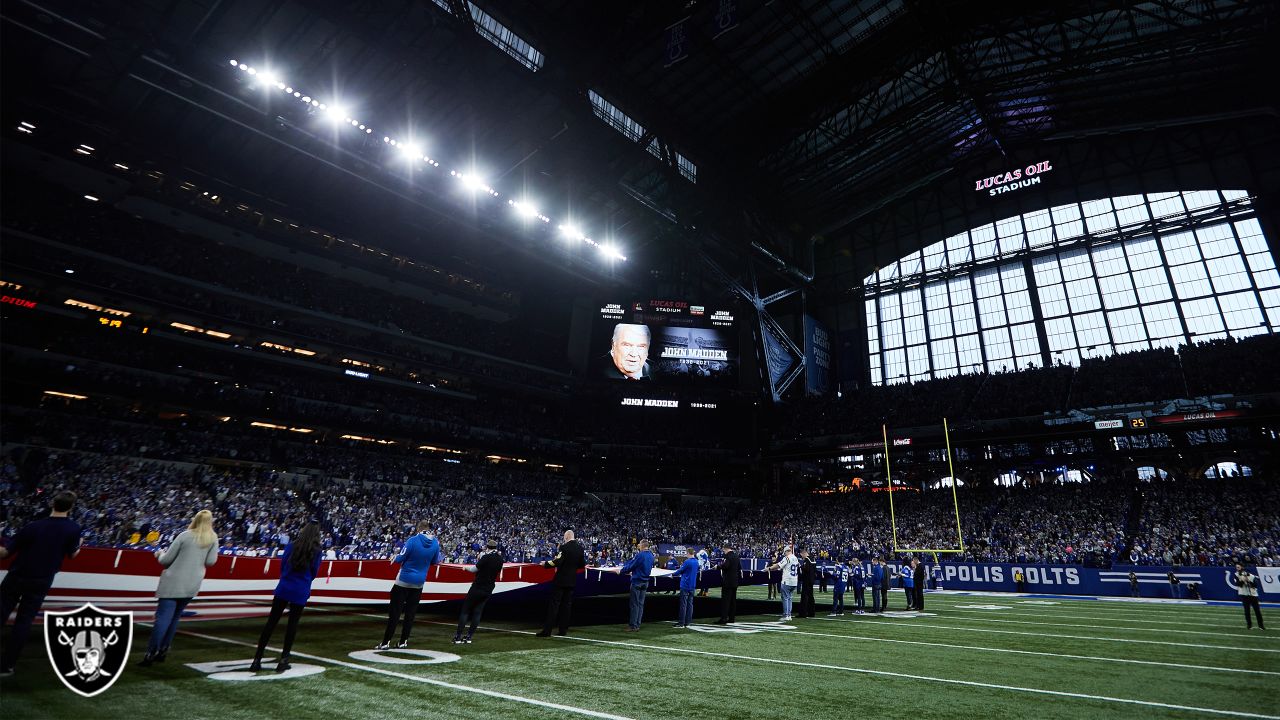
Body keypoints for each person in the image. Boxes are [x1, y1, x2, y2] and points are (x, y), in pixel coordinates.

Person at [0, 491, 82, 678]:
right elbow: (72, 554)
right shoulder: (73, 529)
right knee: (24, 621)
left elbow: (6, 552)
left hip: (17, 575)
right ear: (70, 507)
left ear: (53, 503)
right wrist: (79, 546)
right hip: (42, 579)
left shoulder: (33, 526)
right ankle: (6, 665)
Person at [141, 509, 219, 666]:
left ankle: (151, 652)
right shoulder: (213, 538)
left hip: (174, 582)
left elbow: (166, 560)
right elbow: (210, 562)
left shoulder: (185, 535)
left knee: (162, 619)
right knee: (175, 618)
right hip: (192, 583)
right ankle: (163, 650)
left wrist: (159, 554)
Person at [250, 522, 322, 673]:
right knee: (292, 625)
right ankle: (284, 660)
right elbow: (314, 571)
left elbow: (282, 565)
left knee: (271, 622)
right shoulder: (316, 550)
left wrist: (286, 577)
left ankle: (257, 659)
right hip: (300, 588)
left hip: (285, 585)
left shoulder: (291, 545)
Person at [380, 520, 441, 649]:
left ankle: (386, 642)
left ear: (419, 528)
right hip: (419, 583)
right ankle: (403, 642)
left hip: (403, 580)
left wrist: (394, 557)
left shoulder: (413, 540)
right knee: (410, 615)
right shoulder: (435, 543)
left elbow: (400, 558)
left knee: (395, 613)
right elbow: (436, 561)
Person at [453, 539, 505, 644]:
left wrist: (464, 568)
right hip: (489, 588)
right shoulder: (500, 559)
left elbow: (474, 570)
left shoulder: (486, 557)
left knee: (465, 611)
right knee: (477, 612)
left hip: (478, 586)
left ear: (487, 547)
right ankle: (469, 637)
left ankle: (458, 637)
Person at [536, 530, 585, 637]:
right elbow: (582, 564)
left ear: (567, 537)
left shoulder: (564, 548)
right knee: (566, 606)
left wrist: (545, 564)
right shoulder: (580, 548)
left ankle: (547, 631)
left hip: (561, 580)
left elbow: (557, 561)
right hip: (572, 581)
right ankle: (563, 630)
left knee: (554, 605)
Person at [619, 540, 655, 631]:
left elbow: (632, 566)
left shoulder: (640, 555)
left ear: (642, 545)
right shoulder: (651, 555)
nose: (638, 546)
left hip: (637, 581)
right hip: (645, 581)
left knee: (634, 604)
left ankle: (633, 626)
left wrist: (621, 571)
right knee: (640, 604)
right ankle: (637, 624)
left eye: (639, 544)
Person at [766, 546, 799, 621]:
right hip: (794, 581)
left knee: (785, 598)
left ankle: (786, 615)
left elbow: (778, 565)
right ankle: (789, 615)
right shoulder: (796, 558)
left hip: (787, 580)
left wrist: (769, 568)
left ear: (787, 551)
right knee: (790, 598)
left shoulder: (787, 558)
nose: (784, 554)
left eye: (785, 553)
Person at [1231, 564, 1266, 630]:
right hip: (1244, 595)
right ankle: (1249, 625)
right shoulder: (1236, 575)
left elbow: (1255, 585)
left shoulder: (1252, 576)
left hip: (1253, 595)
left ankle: (1261, 625)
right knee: (1247, 611)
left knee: (1257, 611)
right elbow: (1238, 584)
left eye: (1239, 567)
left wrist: (1248, 581)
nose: (1237, 568)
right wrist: (1243, 580)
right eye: (1236, 567)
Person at [673, 548, 699, 628]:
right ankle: (688, 622)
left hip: (685, 585)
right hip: (692, 585)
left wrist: (673, 574)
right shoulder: (696, 562)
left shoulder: (687, 562)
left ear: (688, 553)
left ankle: (681, 623)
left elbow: (680, 571)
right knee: (690, 604)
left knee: (683, 605)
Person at [717, 546, 740, 624]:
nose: (723, 552)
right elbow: (739, 567)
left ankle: (723, 618)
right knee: (733, 601)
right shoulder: (736, 556)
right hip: (735, 582)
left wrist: (718, 566)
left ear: (726, 549)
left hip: (727, 582)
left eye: (724, 550)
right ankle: (731, 618)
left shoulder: (728, 556)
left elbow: (726, 566)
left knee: (726, 601)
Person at [798, 548, 816, 618]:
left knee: (804, 597)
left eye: (801, 555)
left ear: (804, 553)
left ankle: (803, 613)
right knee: (811, 597)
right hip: (812, 580)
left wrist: (801, 567)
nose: (802, 557)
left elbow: (806, 569)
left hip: (806, 580)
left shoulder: (807, 560)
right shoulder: (813, 559)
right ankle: (811, 612)